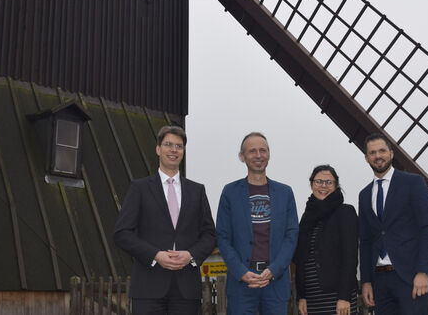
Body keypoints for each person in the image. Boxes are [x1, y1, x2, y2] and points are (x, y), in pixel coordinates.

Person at [113, 125, 216, 315]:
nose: (174, 150)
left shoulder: (197, 190)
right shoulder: (139, 188)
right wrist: (155, 255)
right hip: (148, 285)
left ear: (183, 152)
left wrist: (191, 255)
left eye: (179, 146)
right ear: (158, 149)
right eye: (168, 144)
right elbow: (122, 233)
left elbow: (210, 234)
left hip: (187, 289)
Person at [216, 132, 299, 315]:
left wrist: (274, 269)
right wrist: (241, 271)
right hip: (241, 283)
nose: (258, 155)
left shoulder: (285, 192)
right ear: (242, 156)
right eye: (252, 151)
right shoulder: (230, 192)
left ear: (269, 154)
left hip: (275, 281)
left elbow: (291, 236)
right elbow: (222, 237)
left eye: (263, 150)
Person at [358, 132, 428, 315]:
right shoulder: (364, 195)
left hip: (411, 277)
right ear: (366, 158)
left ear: (391, 153)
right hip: (379, 280)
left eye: (382, 151)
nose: (378, 156)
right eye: (372, 153)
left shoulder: (413, 183)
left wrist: (423, 271)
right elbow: (366, 241)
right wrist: (366, 281)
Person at [294, 165, 358, 315]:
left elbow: (350, 257)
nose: (323, 186)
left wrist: (344, 297)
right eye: (318, 181)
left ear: (336, 185)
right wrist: (302, 296)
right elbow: (302, 259)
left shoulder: (345, 212)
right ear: (311, 184)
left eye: (329, 182)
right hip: (311, 298)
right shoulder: (306, 218)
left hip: (337, 297)